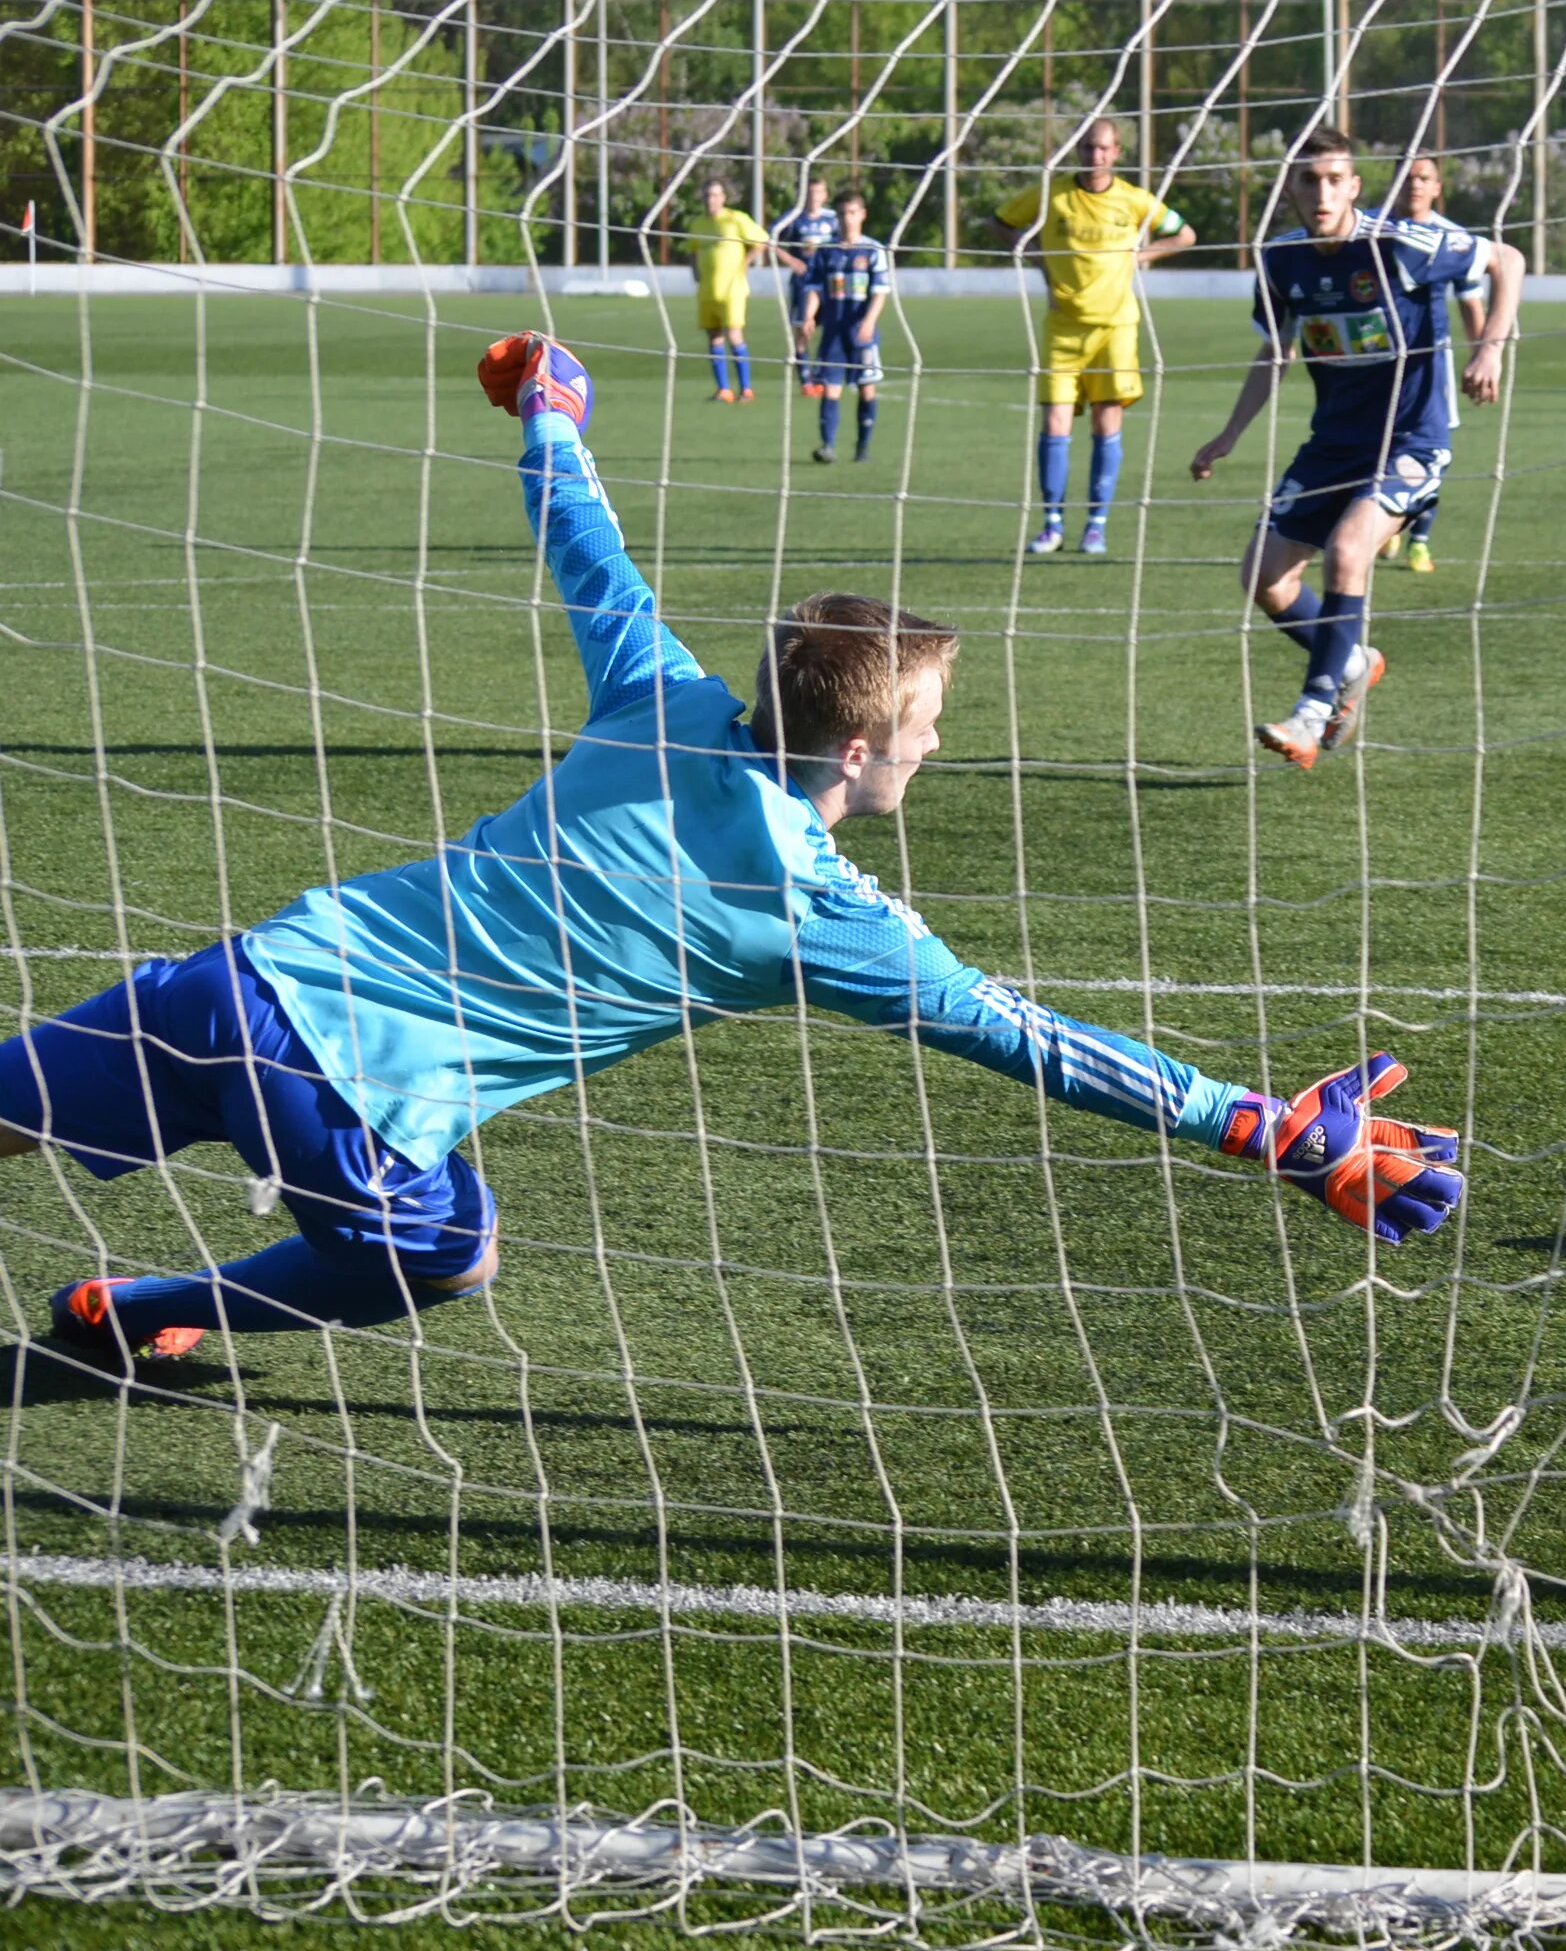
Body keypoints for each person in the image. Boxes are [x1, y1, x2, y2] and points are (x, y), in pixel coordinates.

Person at [9, 336, 1464, 1370]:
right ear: (855, 751)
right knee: (455, 1257)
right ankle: (144, 1311)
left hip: (238, 982)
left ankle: (135, 1312)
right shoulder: (818, 916)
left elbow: (583, 538)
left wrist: (550, 406)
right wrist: (1253, 1125)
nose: (938, 745)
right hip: (350, 1107)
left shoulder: (661, 698)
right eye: (928, 723)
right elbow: (1035, 1042)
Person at [1190, 129, 1523, 771]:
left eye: (1334, 180)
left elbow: (1507, 259)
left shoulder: (1400, 245)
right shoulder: (1282, 261)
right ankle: (1352, 660)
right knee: (1264, 575)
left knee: (1348, 551)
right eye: (1308, 180)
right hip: (1331, 445)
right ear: (1290, 188)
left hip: (1411, 442)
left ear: (1354, 186)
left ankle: (1312, 714)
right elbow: (1276, 352)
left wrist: (1490, 347)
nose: (1321, 193)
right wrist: (1229, 434)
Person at [995, 117, 1197, 558]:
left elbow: (1184, 232)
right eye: (1088, 147)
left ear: (1117, 153)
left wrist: (1146, 255)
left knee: (1107, 424)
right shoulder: (1052, 193)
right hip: (1063, 326)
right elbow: (1002, 222)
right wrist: (1035, 256)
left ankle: (1095, 526)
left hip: (1115, 327)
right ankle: (1051, 524)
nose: (1095, 156)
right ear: (1079, 151)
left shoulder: (1134, 199)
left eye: (1104, 148)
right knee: (1054, 423)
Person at [1380, 155, 1486, 574]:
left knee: (1432, 451)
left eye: (1423, 178)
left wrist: (1483, 356)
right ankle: (1389, 519)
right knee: (1376, 450)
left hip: (1431, 365)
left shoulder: (1452, 238)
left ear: (1437, 188)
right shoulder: (1373, 231)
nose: (1415, 185)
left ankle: (1418, 541)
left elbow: (1470, 304)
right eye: (1406, 178)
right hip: (1375, 362)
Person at [796, 190, 891, 465]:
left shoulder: (873, 250)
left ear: (862, 215)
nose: (847, 219)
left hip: (861, 332)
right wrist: (809, 316)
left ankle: (863, 447)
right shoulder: (826, 251)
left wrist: (869, 322)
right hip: (834, 332)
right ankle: (828, 446)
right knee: (830, 388)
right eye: (842, 214)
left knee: (866, 388)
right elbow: (814, 288)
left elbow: (880, 292)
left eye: (852, 213)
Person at [691, 177, 769, 403]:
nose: (711, 200)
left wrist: (746, 262)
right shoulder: (697, 223)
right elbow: (692, 248)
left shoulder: (735, 219)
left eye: (715, 195)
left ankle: (746, 389)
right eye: (707, 195)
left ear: (723, 198)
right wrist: (694, 271)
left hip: (732, 290)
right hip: (707, 290)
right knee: (713, 337)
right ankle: (724, 389)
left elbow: (762, 241)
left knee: (734, 336)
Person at [770, 175, 841, 347]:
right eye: (810, 192)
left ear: (825, 195)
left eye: (818, 192)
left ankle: (827, 366)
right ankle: (805, 371)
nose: (814, 196)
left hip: (829, 280)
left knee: (836, 324)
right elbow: (768, 239)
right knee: (803, 328)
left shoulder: (833, 218)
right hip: (804, 280)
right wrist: (790, 260)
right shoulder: (793, 217)